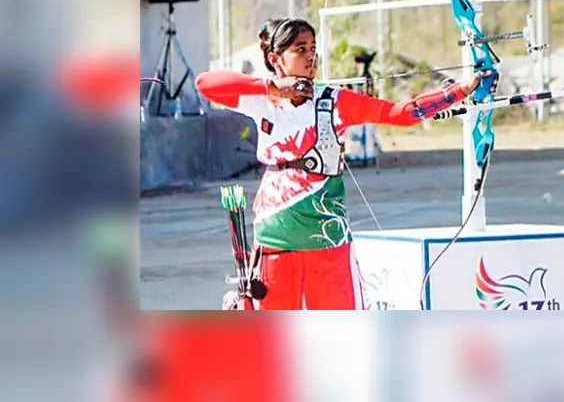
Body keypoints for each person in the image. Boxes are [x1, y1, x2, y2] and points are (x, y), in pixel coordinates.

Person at [195, 18, 488, 310]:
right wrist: (273, 87)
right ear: (275, 58)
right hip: (275, 241)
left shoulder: (334, 101)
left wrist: (461, 90)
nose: (310, 56)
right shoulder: (261, 100)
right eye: (299, 50)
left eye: (313, 48)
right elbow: (205, 84)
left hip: (328, 238)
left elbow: (401, 113)